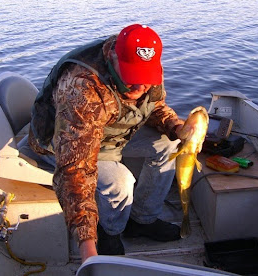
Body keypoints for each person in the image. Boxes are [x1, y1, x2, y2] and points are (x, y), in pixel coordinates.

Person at [28, 24, 185, 262]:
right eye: (132, 77)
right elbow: (75, 168)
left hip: (111, 133)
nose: (139, 87)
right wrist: (86, 244)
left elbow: (153, 106)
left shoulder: (147, 66)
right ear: (114, 57)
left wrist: (177, 127)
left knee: (169, 144)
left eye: (145, 79)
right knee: (120, 181)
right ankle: (109, 232)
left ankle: (143, 219)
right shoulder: (82, 86)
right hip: (63, 140)